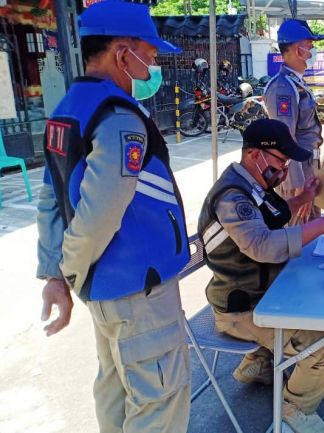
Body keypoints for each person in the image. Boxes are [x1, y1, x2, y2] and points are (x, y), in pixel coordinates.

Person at [36, 2, 191, 431]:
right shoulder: (119, 117)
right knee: (159, 403)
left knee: (117, 391)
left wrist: (56, 274)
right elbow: (99, 214)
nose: (154, 61)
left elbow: (52, 201)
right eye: (150, 52)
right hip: (137, 290)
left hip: (110, 291)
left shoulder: (68, 106)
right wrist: (68, 273)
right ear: (123, 54)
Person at [198, 118, 324, 433]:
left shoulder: (251, 186)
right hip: (243, 309)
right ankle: (292, 411)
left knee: (314, 299)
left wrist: (303, 199)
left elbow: (270, 216)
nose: (284, 169)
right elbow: (262, 245)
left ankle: (259, 364)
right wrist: (321, 225)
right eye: (280, 161)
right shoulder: (233, 197)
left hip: (259, 296)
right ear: (255, 155)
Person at [264, 19, 324, 224]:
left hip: (309, 167)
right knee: (299, 232)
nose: (313, 50)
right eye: (310, 45)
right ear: (298, 50)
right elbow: (285, 139)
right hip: (298, 175)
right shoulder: (282, 88)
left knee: (314, 226)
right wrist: (298, 185)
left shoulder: (296, 82)